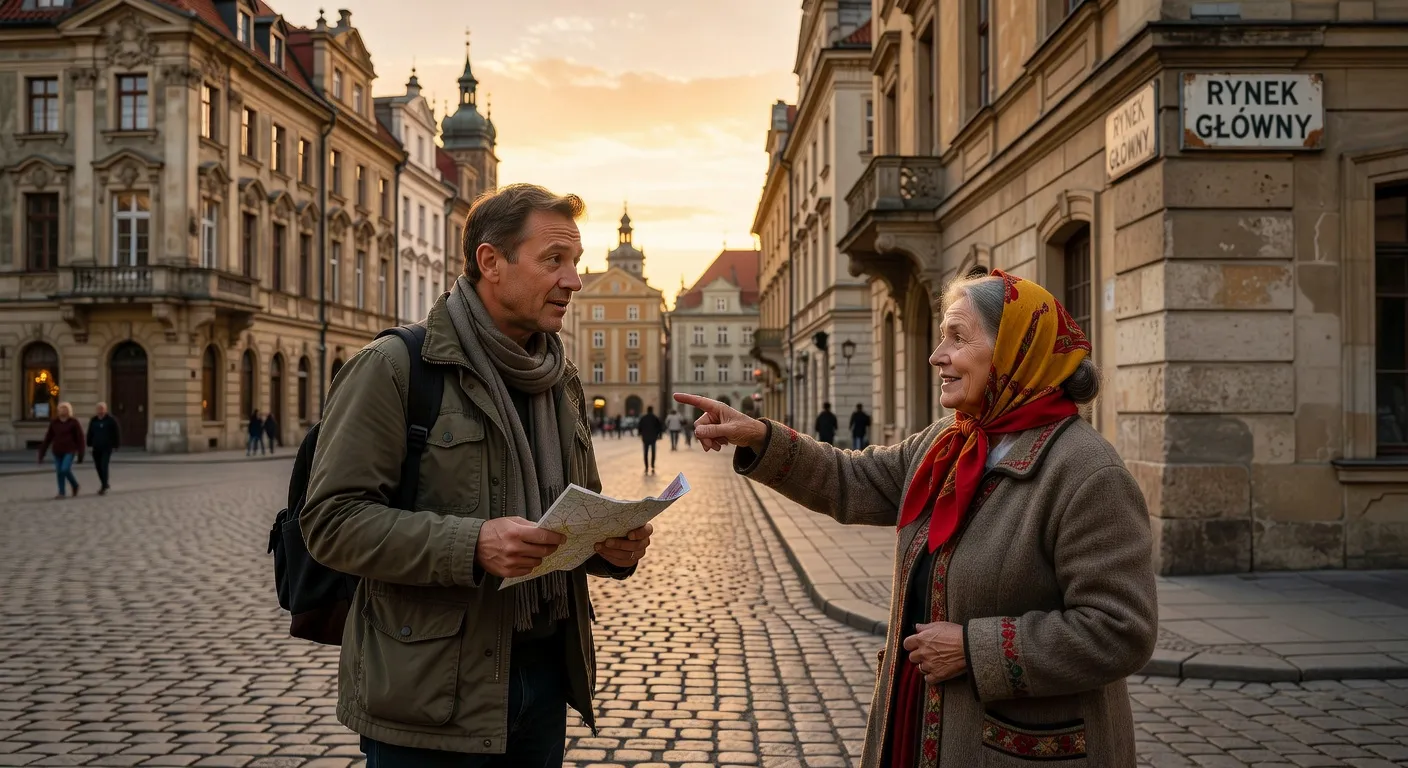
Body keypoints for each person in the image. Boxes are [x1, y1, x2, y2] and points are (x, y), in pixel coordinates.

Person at [675, 269, 1156, 767]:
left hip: (1018, 749)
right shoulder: (949, 441)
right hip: (914, 724)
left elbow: (1121, 630)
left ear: (1013, 349)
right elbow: (852, 479)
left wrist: (974, 648)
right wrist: (759, 437)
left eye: (957, 337)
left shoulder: (1086, 472)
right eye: (941, 336)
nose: (936, 355)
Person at [303, 183, 656, 767]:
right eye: (553, 261)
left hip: (543, 679)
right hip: (430, 694)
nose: (573, 280)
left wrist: (611, 546)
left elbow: (575, 515)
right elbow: (333, 523)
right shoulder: (396, 368)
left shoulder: (559, 379)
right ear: (491, 262)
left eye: (575, 263)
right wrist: (474, 543)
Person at [38, 401, 84, 499]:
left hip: (69, 450)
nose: (63, 411)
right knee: (59, 472)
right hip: (57, 450)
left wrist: (81, 453)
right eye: (61, 409)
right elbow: (48, 438)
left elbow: (80, 438)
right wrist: (42, 453)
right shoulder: (54, 422)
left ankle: (75, 485)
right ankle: (61, 492)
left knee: (65, 469)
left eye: (65, 409)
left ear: (69, 410)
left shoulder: (73, 422)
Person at [86, 402, 121, 495]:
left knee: (104, 465)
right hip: (96, 447)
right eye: (99, 409)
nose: (100, 411)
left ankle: (104, 485)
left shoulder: (111, 420)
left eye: (102, 409)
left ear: (105, 409)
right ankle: (104, 483)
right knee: (98, 467)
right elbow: (90, 433)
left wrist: (116, 445)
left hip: (107, 447)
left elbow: (116, 433)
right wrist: (89, 445)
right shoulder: (93, 420)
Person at [637, 406, 662, 473]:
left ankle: (646, 466)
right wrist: (659, 435)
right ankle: (653, 465)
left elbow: (639, 426)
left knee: (645, 453)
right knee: (653, 452)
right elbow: (659, 427)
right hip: (653, 437)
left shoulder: (643, 418)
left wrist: (640, 433)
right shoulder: (655, 418)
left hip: (645, 437)